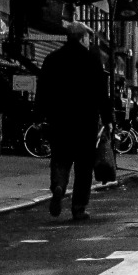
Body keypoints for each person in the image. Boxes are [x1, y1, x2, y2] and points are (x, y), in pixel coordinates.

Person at [35, 22, 112, 221]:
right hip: (85, 122)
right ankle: (78, 207)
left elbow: (42, 90)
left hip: (59, 121)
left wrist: (39, 116)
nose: (89, 41)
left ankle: (59, 186)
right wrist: (108, 119)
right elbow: (101, 93)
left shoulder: (52, 59)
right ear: (81, 38)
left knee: (60, 158)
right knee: (84, 166)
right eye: (88, 37)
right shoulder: (92, 60)